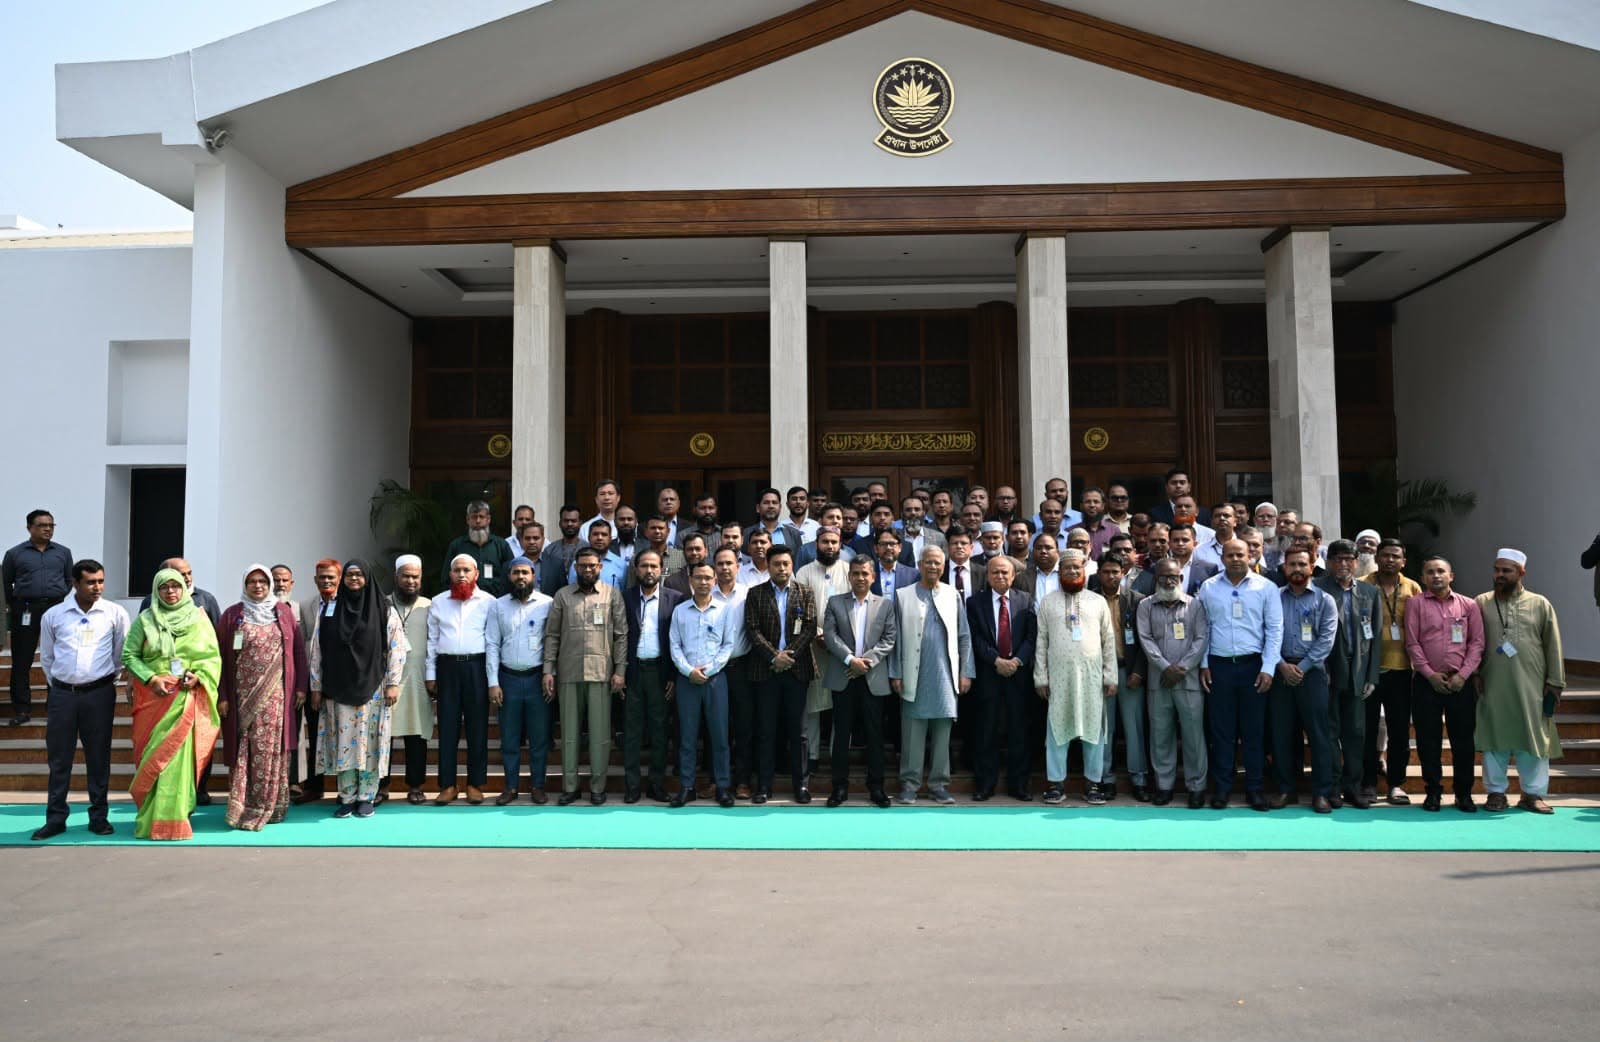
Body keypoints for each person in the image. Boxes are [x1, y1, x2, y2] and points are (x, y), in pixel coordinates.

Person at [122, 566, 222, 840]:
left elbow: (212, 657)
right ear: (156, 590)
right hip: (154, 698)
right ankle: (151, 818)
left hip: (185, 697)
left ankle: (176, 819)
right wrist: (151, 678)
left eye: (175, 585)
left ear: (184, 588)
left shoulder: (199, 618)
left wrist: (198, 676)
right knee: (154, 757)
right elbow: (129, 655)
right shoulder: (145, 620)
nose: (170, 591)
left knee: (178, 761)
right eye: (164, 586)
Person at [31, 559, 128, 841]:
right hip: (62, 695)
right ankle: (55, 819)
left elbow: (120, 654)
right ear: (75, 584)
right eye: (90, 582)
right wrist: (62, 684)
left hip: (99, 694)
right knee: (59, 758)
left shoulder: (115, 613)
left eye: (101, 581)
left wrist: (105, 680)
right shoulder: (54, 615)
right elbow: (47, 657)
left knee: (98, 757)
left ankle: (99, 817)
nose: (97, 587)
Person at [311, 559, 407, 818]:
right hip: (338, 687)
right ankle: (346, 796)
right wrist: (316, 686)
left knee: (369, 743)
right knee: (343, 743)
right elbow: (317, 649)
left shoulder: (384, 609)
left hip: (373, 688)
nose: (354, 579)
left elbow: (397, 648)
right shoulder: (330, 608)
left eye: (359, 575)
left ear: (367, 578)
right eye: (349, 575)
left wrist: (393, 683)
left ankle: (366, 796)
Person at [216, 564, 307, 831]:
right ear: (245, 585)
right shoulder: (233, 615)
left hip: (276, 696)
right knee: (245, 747)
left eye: (263, 582)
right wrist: (223, 695)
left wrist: (301, 687)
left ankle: (271, 805)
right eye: (252, 582)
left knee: (270, 747)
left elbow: (298, 651)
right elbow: (221, 657)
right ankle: (243, 806)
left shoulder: (283, 612)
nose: (258, 586)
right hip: (241, 696)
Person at [1475, 549, 1565, 814]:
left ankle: (1532, 794)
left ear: (1521, 572)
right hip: (1492, 683)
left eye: (1506, 570)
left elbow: (1553, 644)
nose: (1499, 575)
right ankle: (1496, 793)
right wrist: (1474, 674)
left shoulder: (1540, 604)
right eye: (1497, 570)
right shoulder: (1481, 602)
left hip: (1532, 685)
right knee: (1494, 738)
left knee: (1533, 738)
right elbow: (1473, 642)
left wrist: (1555, 681)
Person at [1196, 538, 1283, 811]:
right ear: (1222, 558)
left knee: (1253, 731)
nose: (1235, 559)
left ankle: (1254, 789)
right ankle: (1222, 788)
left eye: (1240, 555)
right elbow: (1202, 628)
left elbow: (1275, 630)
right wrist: (1203, 663)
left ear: (1250, 557)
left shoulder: (1266, 588)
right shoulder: (1208, 587)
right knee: (1221, 731)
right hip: (1218, 666)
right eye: (1230, 555)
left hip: (1253, 666)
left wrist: (1268, 668)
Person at [544, 547, 629, 805]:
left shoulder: (612, 595)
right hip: (568, 672)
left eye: (592, 565)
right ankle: (570, 787)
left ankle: (597, 787)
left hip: (601, 672)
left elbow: (621, 635)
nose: (587, 569)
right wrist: (548, 669)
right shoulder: (562, 596)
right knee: (569, 735)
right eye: (582, 565)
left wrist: (620, 670)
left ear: (600, 567)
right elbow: (552, 635)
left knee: (600, 735)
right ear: (575, 568)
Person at [889, 546, 974, 805]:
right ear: (920, 564)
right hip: (912, 673)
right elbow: (895, 638)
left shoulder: (952, 594)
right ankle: (909, 785)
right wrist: (896, 672)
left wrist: (966, 672)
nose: (933, 567)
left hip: (945, 675)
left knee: (942, 733)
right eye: (928, 562)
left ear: (943, 566)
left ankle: (939, 785)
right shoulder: (903, 595)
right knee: (912, 734)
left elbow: (964, 635)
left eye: (938, 563)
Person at [1033, 549, 1116, 805]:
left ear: (1084, 570)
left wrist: (1110, 675)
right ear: (1060, 572)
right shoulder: (1048, 602)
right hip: (1059, 678)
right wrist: (1040, 677)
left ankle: (1093, 784)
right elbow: (1041, 641)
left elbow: (1108, 640)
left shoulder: (1097, 601)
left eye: (1076, 568)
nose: (1072, 571)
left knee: (1093, 730)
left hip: (1092, 678)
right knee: (1057, 729)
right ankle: (1056, 784)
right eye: (1067, 568)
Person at [1404, 555, 1484, 812]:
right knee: (1428, 741)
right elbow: (1412, 643)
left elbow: (1477, 643)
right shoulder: (1415, 604)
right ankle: (1433, 792)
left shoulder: (1469, 605)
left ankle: (1464, 794)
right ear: (1422, 578)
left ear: (1451, 576)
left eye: (1440, 571)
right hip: (1427, 683)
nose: (1436, 576)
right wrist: (1429, 674)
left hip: (1460, 683)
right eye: (1430, 572)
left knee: (1463, 741)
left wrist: (1463, 675)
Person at [744, 544, 817, 804]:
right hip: (766, 670)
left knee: (799, 732)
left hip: (797, 670)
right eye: (776, 564)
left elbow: (809, 628)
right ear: (768, 566)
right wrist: (774, 656)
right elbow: (752, 630)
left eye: (786, 564)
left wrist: (788, 656)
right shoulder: (755, 594)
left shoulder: (805, 592)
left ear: (792, 565)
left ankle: (802, 786)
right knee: (766, 731)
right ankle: (764, 786)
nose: (782, 568)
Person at [822, 555, 897, 807]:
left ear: (873, 577)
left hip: (872, 678)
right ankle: (839, 788)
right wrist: (850, 660)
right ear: (849, 576)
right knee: (841, 735)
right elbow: (830, 636)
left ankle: (876, 787)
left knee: (875, 735)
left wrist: (865, 662)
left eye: (865, 573)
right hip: (843, 676)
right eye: (855, 573)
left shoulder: (885, 605)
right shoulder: (835, 602)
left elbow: (889, 638)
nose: (860, 578)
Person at [1136, 558, 1210, 808]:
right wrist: (1165, 667)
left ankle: (1196, 787)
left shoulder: (1195, 605)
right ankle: (1164, 786)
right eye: (1163, 577)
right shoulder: (1145, 606)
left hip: (1188, 681)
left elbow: (1201, 639)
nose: (1169, 581)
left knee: (1193, 736)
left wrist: (1183, 667)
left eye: (1173, 577)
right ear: (1155, 579)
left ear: (1181, 578)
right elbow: (1145, 639)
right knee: (1161, 735)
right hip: (1159, 681)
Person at [1270, 548, 1340, 812]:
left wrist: (1301, 668)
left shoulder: (1325, 600)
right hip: (1279, 671)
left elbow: (1326, 640)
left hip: (1312, 674)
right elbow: (1264, 634)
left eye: (1302, 564)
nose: (1297, 569)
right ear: (1284, 568)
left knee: (1319, 735)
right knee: (1281, 734)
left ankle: (1321, 792)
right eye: (1292, 564)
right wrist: (1281, 665)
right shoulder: (1273, 597)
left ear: (1312, 567)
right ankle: (1285, 789)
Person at [668, 562, 739, 807]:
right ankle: (687, 787)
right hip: (687, 679)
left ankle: (722, 787)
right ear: (690, 580)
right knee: (687, 737)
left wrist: (709, 670)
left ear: (715, 581)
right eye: (698, 577)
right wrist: (689, 671)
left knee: (720, 736)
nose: (703, 582)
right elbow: (674, 645)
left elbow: (728, 645)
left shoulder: (725, 610)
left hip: (715, 680)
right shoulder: (680, 611)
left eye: (708, 578)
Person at [426, 554, 496, 805]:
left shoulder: (489, 602)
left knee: (478, 728)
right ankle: (448, 784)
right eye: (457, 570)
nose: (462, 575)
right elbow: (432, 641)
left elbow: (492, 642)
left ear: (476, 574)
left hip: (477, 667)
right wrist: (431, 674)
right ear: (450, 574)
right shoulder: (438, 602)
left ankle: (475, 784)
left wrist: (492, 679)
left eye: (467, 570)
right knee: (447, 728)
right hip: (447, 669)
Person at [1316, 539, 1381, 808]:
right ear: (1329, 562)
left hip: (1358, 671)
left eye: (1349, 559)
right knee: (1329, 732)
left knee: (1356, 734)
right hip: (1327, 670)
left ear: (1356, 562)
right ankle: (1332, 787)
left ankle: (1353, 787)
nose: (1343, 564)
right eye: (1338, 559)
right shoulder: (1318, 588)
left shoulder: (1369, 591)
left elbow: (1375, 636)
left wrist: (1372, 676)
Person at [968, 555, 1037, 801]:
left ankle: (1019, 785)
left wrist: (1017, 661)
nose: (1000, 576)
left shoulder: (1026, 600)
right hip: (989, 673)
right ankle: (985, 784)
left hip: (1018, 675)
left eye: (1004, 572)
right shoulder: (974, 602)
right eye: (995, 572)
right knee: (987, 730)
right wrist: (996, 660)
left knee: (1019, 730)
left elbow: (1031, 637)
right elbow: (975, 637)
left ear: (1013, 576)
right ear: (987, 576)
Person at [487, 555, 554, 805]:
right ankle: (511, 787)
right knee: (510, 738)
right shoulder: (498, 605)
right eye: (516, 573)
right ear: (509, 576)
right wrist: (493, 682)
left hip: (537, 679)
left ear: (534, 576)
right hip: (508, 679)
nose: (521, 577)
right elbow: (492, 644)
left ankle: (537, 786)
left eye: (525, 572)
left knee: (539, 738)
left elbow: (553, 642)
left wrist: (551, 673)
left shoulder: (547, 603)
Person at [1360, 538, 1421, 805]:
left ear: (1403, 562)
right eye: (1385, 555)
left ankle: (1396, 784)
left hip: (1402, 669)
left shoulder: (1413, 587)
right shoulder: (1362, 584)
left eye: (1396, 556)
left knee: (1399, 731)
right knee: (1367, 730)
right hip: (1368, 670)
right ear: (1377, 558)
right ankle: (1368, 784)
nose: (1390, 560)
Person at [622, 549, 684, 803]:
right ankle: (632, 786)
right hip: (633, 672)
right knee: (632, 732)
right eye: (644, 566)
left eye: (654, 566)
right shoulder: (625, 597)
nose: (649, 571)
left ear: (662, 569)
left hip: (661, 672)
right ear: (636, 569)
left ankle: (657, 785)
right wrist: (619, 672)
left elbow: (679, 639)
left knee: (660, 731)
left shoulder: (675, 599)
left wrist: (673, 676)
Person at [5, 509, 73, 725]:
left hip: (55, 609)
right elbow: (5, 583)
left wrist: (57, 595)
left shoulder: (63, 553)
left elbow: (69, 580)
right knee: (22, 660)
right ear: (29, 528)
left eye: (51, 525)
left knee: (58, 657)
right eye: (42, 525)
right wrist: (18, 602)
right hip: (25, 609)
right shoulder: (14, 554)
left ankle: (54, 707)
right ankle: (22, 710)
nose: (48, 529)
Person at [796, 527, 849, 778]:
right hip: (812, 646)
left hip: (842, 648)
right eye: (825, 542)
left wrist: (834, 639)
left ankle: (839, 754)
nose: (829, 546)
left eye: (834, 542)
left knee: (841, 705)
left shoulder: (849, 570)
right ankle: (813, 755)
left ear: (840, 545)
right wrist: (819, 634)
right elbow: (799, 609)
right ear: (816, 544)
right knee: (813, 706)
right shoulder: (804, 572)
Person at [1095, 554, 1148, 801]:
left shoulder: (1137, 600)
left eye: (1115, 572)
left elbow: (1145, 640)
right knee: (1104, 728)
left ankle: (1138, 779)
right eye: (1106, 572)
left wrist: (1138, 671)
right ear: (1098, 573)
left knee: (1134, 727)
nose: (1111, 576)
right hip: (1100, 673)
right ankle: (1105, 779)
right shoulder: (1090, 600)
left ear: (1123, 573)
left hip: (1129, 671)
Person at [292, 558, 340, 804]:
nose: (326, 581)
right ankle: (314, 786)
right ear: (315, 579)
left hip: (341, 681)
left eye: (331, 577)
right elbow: (302, 645)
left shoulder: (348, 604)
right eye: (322, 577)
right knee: (315, 734)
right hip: (314, 681)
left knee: (343, 734)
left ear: (339, 579)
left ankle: (345, 789)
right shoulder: (306, 605)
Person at [388, 555, 435, 805]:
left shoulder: (430, 606)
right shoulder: (382, 604)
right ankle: (381, 786)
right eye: (405, 576)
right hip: (388, 681)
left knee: (417, 735)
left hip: (418, 679)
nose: (410, 581)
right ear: (396, 577)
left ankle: (416, 786)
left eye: (415, 577)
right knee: (384, 736)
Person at [710, 546, 755, 798]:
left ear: (738, 566)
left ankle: (743, 780)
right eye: (720, 563)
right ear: (714, 567)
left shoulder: (748, 594)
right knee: (716, 727)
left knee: (743, 727)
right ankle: (717, 779)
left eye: (729, 563)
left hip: (741, 668)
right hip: (714, 670)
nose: (725, 568)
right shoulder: (706, 594)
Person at [441, 500, 512, 596]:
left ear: (488, 519)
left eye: (481, 517)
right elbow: (446, 578)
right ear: (468, 519)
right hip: (464, 600)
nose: (478, 521)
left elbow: (511, 574)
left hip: (496, 599)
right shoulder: (457, 545)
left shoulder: (501, 545)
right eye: (474, 517)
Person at [628, 515, 685, 587]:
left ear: (668, 531)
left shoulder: (681, 557)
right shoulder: (636, 559)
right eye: (653, 528)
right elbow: (631, 587)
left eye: (661, 528)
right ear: (646, 532)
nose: (657, 531)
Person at [896, 494, 946, 566]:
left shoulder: (939, 537)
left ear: (924, 512)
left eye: (917, 509)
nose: (913, 513)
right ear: (902, 514)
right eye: (908, 510)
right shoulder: (895, 536)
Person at [1015, 532, 1062, 601]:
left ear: (1057, 552)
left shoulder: (1067, 574)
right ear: (1033, 552)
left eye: (1048, 548)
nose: (1043, 551)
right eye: (1039, 548)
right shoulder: (1021, 578)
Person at [1078, 488, 1119, 560]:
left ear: (1103, 506)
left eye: (1096, 502)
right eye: (1088, 502)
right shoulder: (1072, 531)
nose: (1092, 505)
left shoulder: (1114, 531)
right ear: (1081, 506)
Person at [664, 533, 711, 598]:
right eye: (690, 549)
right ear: (684, 553)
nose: (694, 553)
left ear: (706, 552)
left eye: (698, 549)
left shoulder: (717, 577)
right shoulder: (671, 582)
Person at [578, 478, 621, 544]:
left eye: (610, 493)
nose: (606, 497)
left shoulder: (628, 525)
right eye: (602, 494)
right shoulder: (585, 527)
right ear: (596, 499)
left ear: (618, 498)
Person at [548, 505, 586, 577]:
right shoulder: (550, 550)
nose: (569, 524)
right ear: (560, 523)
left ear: (580, 523)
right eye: (566, 521)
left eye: (573, 521)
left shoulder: (588, 548)